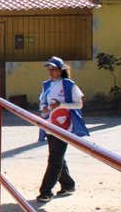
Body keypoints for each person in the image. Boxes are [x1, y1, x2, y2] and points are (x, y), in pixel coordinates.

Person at [36, 56, 89, 203]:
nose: (51, 72)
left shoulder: (69, 85)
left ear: (61, 70)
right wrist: (45, 108)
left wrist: (61, 105)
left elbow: (78, 105)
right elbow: (42, 104)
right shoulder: (46, 85)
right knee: (57, 156)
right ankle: (68, 184)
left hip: (64, 127)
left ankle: (46, 192)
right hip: (50, 125)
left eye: (54, 69)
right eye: (49, 69)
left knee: (54, 159)